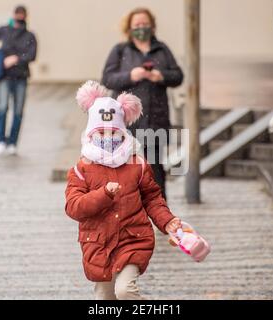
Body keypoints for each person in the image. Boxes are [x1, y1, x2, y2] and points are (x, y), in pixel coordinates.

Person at [65, 81, 182, 300]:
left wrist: (167, 222)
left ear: (123, 134)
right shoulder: (81, 169)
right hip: (99, 244)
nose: (108, 139)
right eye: (101, 133)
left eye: (114, 133)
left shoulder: (137, 164)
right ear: (90, 135)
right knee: (104, 298)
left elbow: (153, 199)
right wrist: (103, 195)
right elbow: (74, 207)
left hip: (133, 239)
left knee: (125, 290)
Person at [102, 7, 183, 200]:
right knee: (127, 168)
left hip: (157, 118)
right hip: (127, 122)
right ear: (129, 28)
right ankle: (127, 212)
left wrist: (160, 76)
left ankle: (161, 214)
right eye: (137, 25)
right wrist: (130, 76)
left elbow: (178, 76)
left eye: (145, 24)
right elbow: (107, 78)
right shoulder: (120, 50)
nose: (141, 28)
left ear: (152, 26)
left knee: (155, 168)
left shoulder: (162, 49)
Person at [0, 5, 37, 155]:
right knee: (2, 108)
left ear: (26, 16)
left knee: (18, 111)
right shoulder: (4, 30)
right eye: (17, 14)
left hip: (21, 77)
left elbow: (32, 55)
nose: (19, 17)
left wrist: (16, 59)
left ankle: (13, 142)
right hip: (4, 77)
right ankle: (1, 140)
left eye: (22, 15)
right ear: (13, 15)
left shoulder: (30, 36)